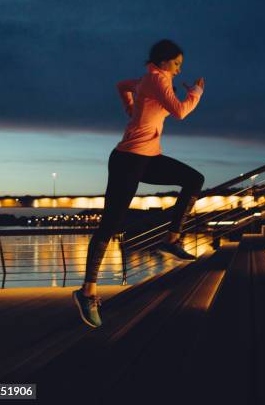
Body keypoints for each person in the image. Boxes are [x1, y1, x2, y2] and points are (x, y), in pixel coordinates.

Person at [73, 39, 205, 328]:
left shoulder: (150, 79)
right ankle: (87, 292)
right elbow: (181, 111)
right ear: (162, 62)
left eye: (181, 65)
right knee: (110, 225)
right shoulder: (158, 79)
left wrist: (130, 108)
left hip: (148, 158)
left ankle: (171, 239)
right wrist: (196, 93)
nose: (180, 69)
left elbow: (122, 85)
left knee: (194, 180)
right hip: (127, 161)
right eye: (176, 64)